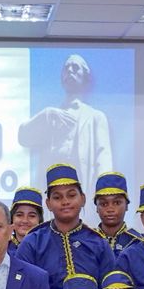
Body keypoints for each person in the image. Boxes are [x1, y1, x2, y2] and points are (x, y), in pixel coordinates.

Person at [16, 163, 115, 289]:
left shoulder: (98, 243)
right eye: (57, 197)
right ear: (48, 204)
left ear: (83, 199)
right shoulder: (33, 242)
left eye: (71, 195)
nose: (65, 202)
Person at [17, 53, 114, 195]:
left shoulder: (96, 117)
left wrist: (103, 196)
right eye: (66, 68)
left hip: (83, 190)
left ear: (85, 77)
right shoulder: (49, 116)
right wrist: (46, 115)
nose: (70, 70)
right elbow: (23, 138)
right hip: (51, 191)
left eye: (75, 67)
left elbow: (103, 162)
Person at [92, 172, 143, 254]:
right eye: (104, 204)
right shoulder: (87, 240)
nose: (110, 209)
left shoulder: (138, 242)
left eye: (117, 203)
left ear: (126, 206)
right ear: (97, 208)